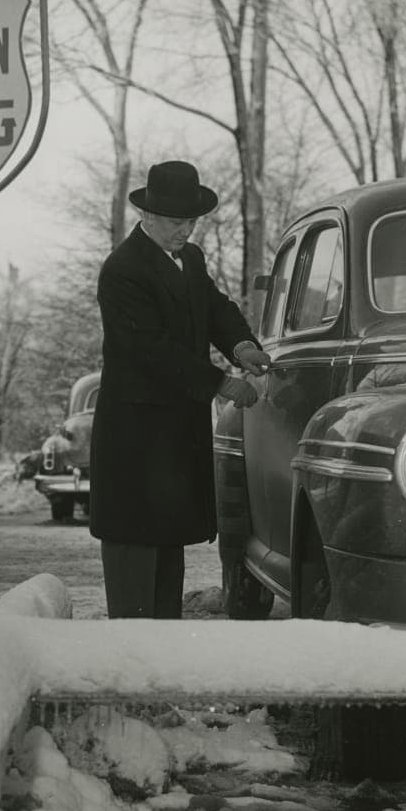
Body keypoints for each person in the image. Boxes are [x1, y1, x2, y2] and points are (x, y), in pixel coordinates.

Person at [89, 160, 270, 619]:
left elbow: (213, 307)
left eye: (190, 221)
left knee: (168, 547)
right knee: (135, 549)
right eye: (175, 222)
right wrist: (223, 384)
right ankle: (131, 664)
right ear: (147, 216)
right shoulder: (123, 269)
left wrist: (241, 343)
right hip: (135, 436)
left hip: (174, 435)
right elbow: (152, 351)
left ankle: (162, 653)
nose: (185, 231)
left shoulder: (190, 260)